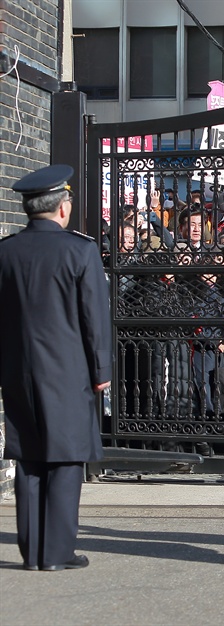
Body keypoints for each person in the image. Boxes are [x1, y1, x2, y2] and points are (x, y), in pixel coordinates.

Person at [0, 165, 112, 571]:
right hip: (68, 371)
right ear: (62, 208)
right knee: (65, 459)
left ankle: (32, 553)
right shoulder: (79, 250)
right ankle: (58, 552)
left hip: (18, 370)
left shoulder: (6, 251)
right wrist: (102, 369)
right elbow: (94, 317)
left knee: (29, 458)